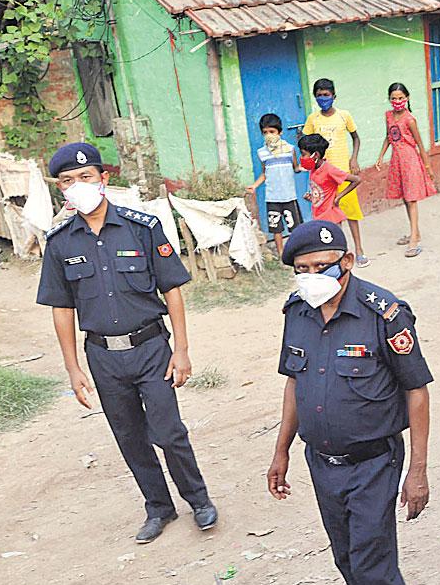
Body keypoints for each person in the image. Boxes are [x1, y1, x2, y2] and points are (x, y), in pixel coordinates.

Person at [267, 219, 432, 585]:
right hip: (322, 460)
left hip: (374, 460)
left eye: (321, 266)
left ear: (346, 261)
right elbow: (294, 383)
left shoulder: (384, 313)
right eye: (302, 269)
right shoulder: (298, 312)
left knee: (371, 557)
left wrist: (417, 471)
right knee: (345, 555)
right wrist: (281, 451)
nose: (312, 276)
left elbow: (416, 390)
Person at [35, 142, 218, 542]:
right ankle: (159, 508)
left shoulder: (143, 227)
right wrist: (72, 367)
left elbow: (172, 289)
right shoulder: (60, 242)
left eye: (86, 177)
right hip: (103, 356)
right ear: (60, 188)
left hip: (152, 350)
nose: (78, 185)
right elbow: (61, 308)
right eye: (68, 180)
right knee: (130, 437)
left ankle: (198, 499)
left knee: (168, 432)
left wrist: (182, 350)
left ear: (103, 178)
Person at [302, 78, 369, 265]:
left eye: (326, 95)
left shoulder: (344, 116)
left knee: (351, 212)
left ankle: (359, 249)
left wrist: (354, 158)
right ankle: (336, 252)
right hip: (324, 175)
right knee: (329, 215)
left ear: (334, 96)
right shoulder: (313, 119)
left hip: (342, 171)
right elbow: (307, 144)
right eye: (319, 95)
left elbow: (356, 138)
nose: (323, 98)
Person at [373, 82, 437, 258]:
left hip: (410, 161)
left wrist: (427, 167)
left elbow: (420, 145)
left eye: (401, 98)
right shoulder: (388, 116)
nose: (397, 101)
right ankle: (415, 232)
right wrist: (380, 156)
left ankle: (414, 240)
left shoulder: (410, 120)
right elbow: (388, 137)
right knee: (404, 198)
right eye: (394, 98)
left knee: (411, 199)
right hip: (397, 161)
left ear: (407, 98)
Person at [246, 113, 301, 257]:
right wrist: (254, 186)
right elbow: (265, 173)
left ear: (280, 132)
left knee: (294, 227)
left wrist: (306, 166)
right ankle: (281, 253)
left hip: (289, 196)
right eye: (265, 132)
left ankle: (296, 251)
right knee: (276, 227)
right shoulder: (262, 153)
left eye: (272, 131)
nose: (269, 135)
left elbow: (296, 167)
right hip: (272, 197)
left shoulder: (290, 149)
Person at [297, 133, 360, 230]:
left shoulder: (329, 170)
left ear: (316, 155)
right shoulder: (313, 169)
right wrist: (312, 198)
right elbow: (322, 192)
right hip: (318, 217)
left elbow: (357, 180)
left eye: (303, 154)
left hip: (331, 219)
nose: (301, 158)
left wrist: (338, 197)